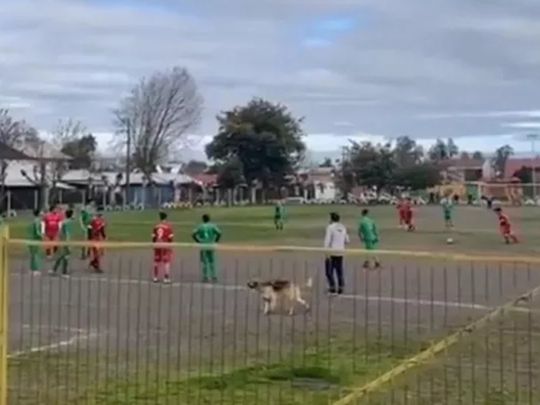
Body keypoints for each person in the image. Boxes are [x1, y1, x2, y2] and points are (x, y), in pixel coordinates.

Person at [324, 212, 349, 295]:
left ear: (331, 219)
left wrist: (326, 251)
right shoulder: (343, 227)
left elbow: (327, 241)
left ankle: (332, 288)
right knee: (339, 271)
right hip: (340, 251)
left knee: (329, 272)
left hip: (332, 252)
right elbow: (347, 240)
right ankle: (341, 288)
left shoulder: (330, 227)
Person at [192, 214, 222, 283]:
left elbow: (193, 234)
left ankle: (205, 277)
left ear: (203, 219)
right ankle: (213, 276)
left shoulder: (200, 226)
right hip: (211, 244)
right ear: (209, 219)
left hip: (203, 245)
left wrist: (197, 241)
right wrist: (216, 241)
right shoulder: (212, 226)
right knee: (212, 261)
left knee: (204, 262)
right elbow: (219, 233)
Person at [50, 208, 74, 277]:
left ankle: (54, 270)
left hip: (62, 241)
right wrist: (68, 243)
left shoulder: (64, 222)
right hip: (66, 241)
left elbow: (60, 232)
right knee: (66, 257)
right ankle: (64, 273)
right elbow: (67, 233)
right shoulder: (69, 223)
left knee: (61, 256)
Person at [152, 212, 174, 283]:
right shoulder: (168, 227)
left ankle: (155, 277)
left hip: (157, 244)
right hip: (165, 245)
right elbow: (170, 238)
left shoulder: (156, 226)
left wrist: (154, 244)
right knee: (166, 262)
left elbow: (153, 237)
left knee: (156, 261)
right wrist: (170, 245)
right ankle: (166, 278)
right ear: (166, 218)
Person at [88, 208, 106, 273]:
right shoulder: (99, 222)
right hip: (95, 239)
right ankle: (97, 267)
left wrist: (89, 237)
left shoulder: (94, 221)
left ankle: (93, 262)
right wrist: (104, 236)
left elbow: (89, 228)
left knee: (97, 253)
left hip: (96, 238)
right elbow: (101, 230)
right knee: (97, 253)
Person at [28, 209, 43, 274]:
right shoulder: (37, 221)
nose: (42, 213)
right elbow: (37, 231)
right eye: (41, 212)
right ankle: (35, 270)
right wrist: (42, 237)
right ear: (39, 213)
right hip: (35, 239)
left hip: (31, 239)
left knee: (33, 255)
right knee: (35, 254)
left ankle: (31, 269)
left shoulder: (34, 220)